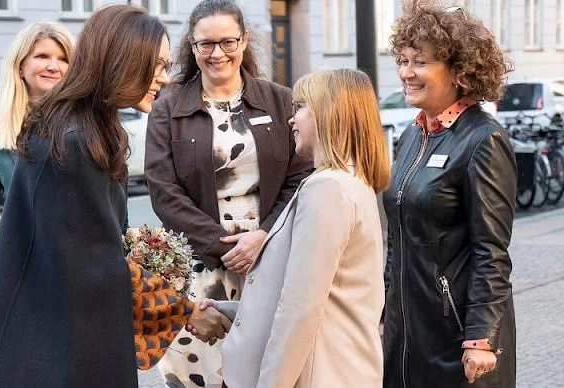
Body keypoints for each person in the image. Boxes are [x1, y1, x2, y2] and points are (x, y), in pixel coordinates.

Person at [0, 6, 229, 387]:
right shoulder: (74, 139)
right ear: (121, 58)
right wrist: (183, 310)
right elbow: (94, 265)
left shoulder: (85, 128)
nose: (164, 78)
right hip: (46, 350)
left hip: (53, 339)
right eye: (155, 65)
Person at [144, 0, 312, 385]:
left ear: (244, 40)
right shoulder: (168, 108)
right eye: (206, 44)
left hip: (270, 256)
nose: (217, 53)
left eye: (227, 42)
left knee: (268, 371)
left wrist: (263, 237)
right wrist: (226, 245)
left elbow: (300, 177)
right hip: (201, 262)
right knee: (199, 372)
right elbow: (163, 191)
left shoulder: (279, 99)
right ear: (192, 46)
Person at [190, 68, 391, 387]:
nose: (291, 119)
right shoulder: (346, 183)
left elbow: (301, 308)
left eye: (300, 107)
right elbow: (313, 294)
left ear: (329, 113)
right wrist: (229, 309)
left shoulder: (328, 188)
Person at [382, 2, 517, 387]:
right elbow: (397, 240)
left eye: (420, 62)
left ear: (459, 70)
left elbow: (490, 251)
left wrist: (480, 338)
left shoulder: (483, 138)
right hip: (407, 329)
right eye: (403, 60)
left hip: (457, 334)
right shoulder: (412, 136)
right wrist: (385, 312)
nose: (407, 72)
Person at [0, 22, 74, 302]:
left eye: (63, 59)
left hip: (77, 274)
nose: (54, 66)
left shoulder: (85, 124)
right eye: (42, 56)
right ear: (20, 65)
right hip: (20, 276)